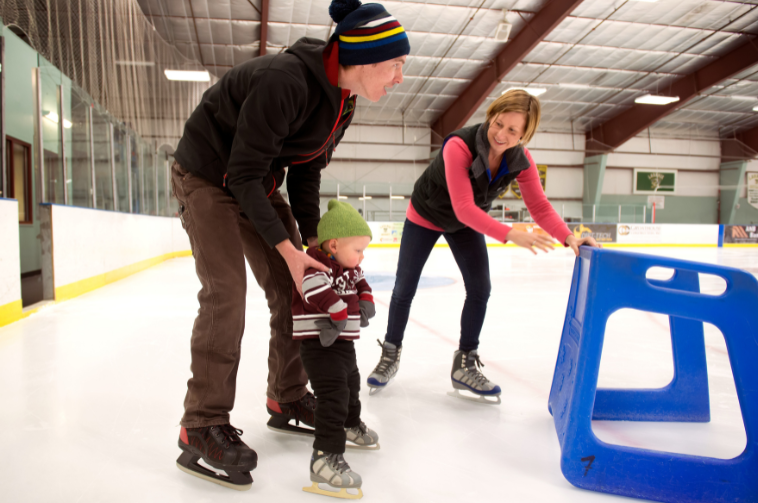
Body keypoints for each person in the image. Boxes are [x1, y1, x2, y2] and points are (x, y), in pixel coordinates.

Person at [172, 0, 410, 490]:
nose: (400, 77)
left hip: (255, 183)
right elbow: (237, 173)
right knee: (226, 293)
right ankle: (201, 424)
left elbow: (306, 171)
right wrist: (287, 247)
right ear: (363, 58)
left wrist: (315, 246)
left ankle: (287, 397)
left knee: (297, 288)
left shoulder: (344, 100)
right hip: (206, 175)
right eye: (396, 64)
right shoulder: (287, 81)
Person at [366, 89, 600, 403]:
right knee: (405, 287)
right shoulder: (458, 146)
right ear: (491, 116)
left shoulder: (522, 160)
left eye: (512, 130)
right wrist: (509, 233)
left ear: (524, 135)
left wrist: (569, 237)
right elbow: (463, 206)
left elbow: (540, 207)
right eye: (498, 123)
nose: (501, 134)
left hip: (465, 223)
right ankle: (391, 353)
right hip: (426, 215)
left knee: (480, 288)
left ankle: (464, 362)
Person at [292, 200, 378, 499]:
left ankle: (350, 424)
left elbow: (362, 282)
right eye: (358, 250)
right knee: (334, 395)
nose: (361, 256)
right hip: (319, 344)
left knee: (351, 384)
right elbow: (313, 288)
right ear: (334, 244)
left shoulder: (349, 268)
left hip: (343, 344)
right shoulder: (318, 264)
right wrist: (338, 308)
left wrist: (366, 298)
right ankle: (324, 458)